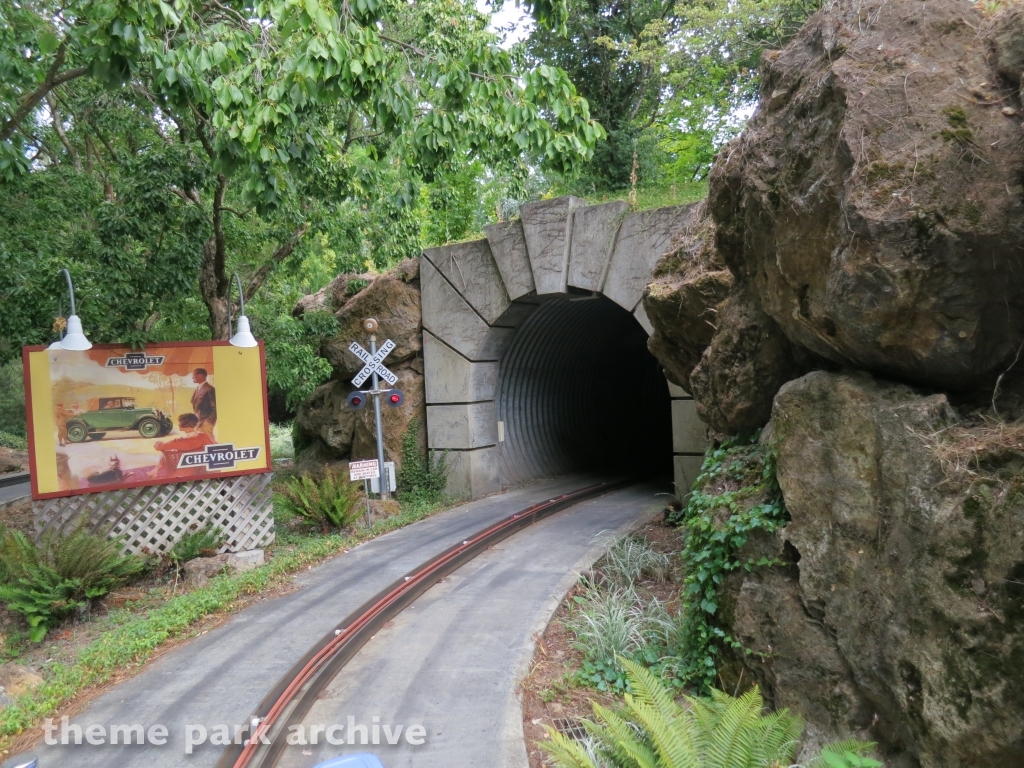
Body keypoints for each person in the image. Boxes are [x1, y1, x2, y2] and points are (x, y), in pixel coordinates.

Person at [153, 413, 215, 478]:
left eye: (179, 422)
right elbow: (213, 447)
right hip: (201, 468)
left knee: (164, 455)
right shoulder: (203, 436)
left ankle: (155, 471)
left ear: (185, 424)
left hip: (183, 470)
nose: (178, 424)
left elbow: (158, 448)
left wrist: (158, 443)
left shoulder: (178, 441)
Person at [190, 368, 217, 438]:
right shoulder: (198, 388)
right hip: (198, 422)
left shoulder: (210, 389)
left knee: (209, 442)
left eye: (194, 375)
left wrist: (208, 422)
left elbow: (215, 407)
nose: (192, 377)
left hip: (206, 423)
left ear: (200, 376)